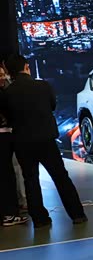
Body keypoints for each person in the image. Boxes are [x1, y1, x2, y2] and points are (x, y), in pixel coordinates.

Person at [0, 54, 86, 228]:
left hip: (22, 141)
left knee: (30, 179)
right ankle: (77, 214)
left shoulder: (7, 93)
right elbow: (52, 105)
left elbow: (7, 116)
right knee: (61, 177)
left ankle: (40, 219)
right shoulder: (43, 86)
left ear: (8, 71)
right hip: (46, 138)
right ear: (26, 67)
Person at [0, 59, 27, 226]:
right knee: (7, 175)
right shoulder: (4, 94)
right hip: (3, 137)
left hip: (6, 136)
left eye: (3, 75)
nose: (3, 78)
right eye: (0, 75)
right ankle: (9, 214)